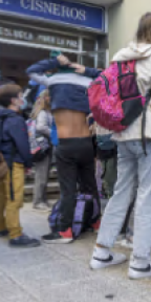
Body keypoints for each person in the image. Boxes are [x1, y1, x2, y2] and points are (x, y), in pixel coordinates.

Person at [91, 12, 151, 279]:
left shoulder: (120, 58)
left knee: (121, 192)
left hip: (123, 133)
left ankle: (101, 251)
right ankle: (140, 261)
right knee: (149, 197)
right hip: (150, 135)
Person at [28, 51, 104, 243]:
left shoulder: (53, 81)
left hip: (66, 144)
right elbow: (107, 76)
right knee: (90, 186)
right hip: (87, 143)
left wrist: (53, 61)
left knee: (68, 189)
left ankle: (65, 231)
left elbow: (32, 71)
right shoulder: (88, 82)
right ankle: (96, 223)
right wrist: (88, 71)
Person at [0, 84, 42, 248]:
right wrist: (28, 162)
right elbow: (22, 144)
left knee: (0, 196)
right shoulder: (15, 119)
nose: (23, 99)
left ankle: (0, 227)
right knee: (14, 198)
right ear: (13, 100)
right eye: (20, 96)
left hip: (1, 163)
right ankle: (16, 234)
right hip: (14, 163)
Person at [29, 90, 55, 209]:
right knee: (41, 174)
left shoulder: (46, 111)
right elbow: (41, 127)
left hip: (46, 146)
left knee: (44, 173)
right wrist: (54, 134)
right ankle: (38, 201)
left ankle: (42, 199)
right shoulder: (43, 113)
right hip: (43, 146)